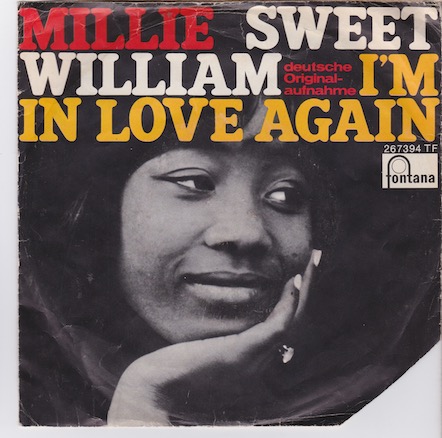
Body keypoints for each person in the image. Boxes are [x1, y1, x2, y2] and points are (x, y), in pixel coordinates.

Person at [19, 94, 439, 426]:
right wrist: (145, 399)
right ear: (102, 213)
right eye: (194, 182)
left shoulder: (397, 402)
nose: (246, 233)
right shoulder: (27, 395)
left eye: (286, 194)